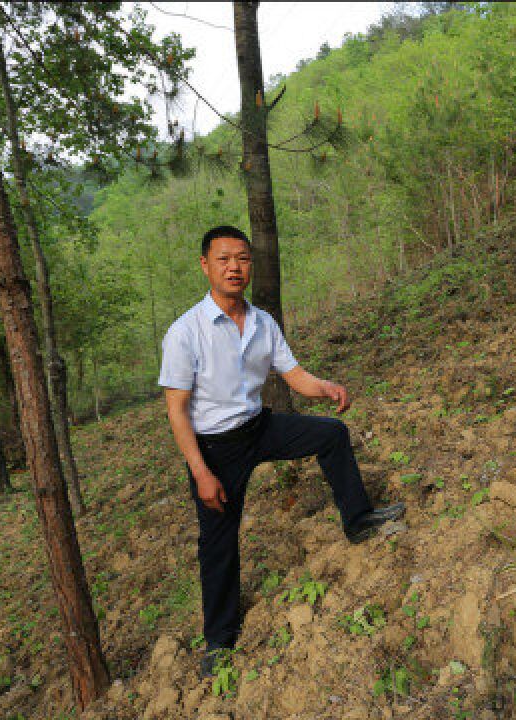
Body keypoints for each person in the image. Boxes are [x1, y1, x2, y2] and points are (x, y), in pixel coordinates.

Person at [158, 225, 405, 676]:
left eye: (243, 259)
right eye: (224, 259)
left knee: (331, 435)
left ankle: (358, 520)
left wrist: (326, 388)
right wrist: (200, 471)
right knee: (218, 543)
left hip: (259, 427)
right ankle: (219, 639)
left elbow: (295, 377)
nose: (235, 268)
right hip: (215, 448)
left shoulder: (262, 323)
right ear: (205, 265)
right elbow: (177, 412)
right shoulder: (184, 333)